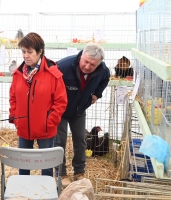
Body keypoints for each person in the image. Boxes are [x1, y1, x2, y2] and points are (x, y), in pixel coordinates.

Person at [9, 32, 67, 176]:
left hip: (45, 129)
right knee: (23, 165)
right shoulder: (18, 75)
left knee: (46, 167)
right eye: (23, 52)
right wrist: (15, 116)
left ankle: (45, 193)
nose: (26, 56)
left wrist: (50, 121)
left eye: (30, 52)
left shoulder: (53, 74)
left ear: (40, 52)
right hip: (23, 126)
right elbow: (13, 97)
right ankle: (24, 192)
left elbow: (60, 102)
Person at [53, 43, 110, 187]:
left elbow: (105, 79)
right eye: (86, 61)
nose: (87, 66)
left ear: (99, 64)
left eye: (92, 64)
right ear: (81, 56)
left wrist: (97, 94)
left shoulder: (103, 70)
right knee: (60, 141)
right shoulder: (64, 66)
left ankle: (79, 171)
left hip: (79, 110)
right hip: (59, 111)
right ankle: (61, 173)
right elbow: (49, 84)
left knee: (80, 140)